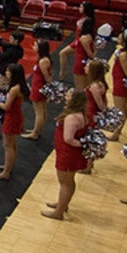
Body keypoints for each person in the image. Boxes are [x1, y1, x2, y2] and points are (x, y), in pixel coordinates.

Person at [43, 89, 89, 221]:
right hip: (70, 153)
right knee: (68, 182)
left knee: (65, 183)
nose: (66, 96)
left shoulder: (71, 117)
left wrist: (83, 144)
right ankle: (63, 204)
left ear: (74, 100)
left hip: (68, 154)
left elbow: (68, 139)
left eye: (68, 95)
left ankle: (59, 212)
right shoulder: (81, 114)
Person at [0, 64, 27, 181]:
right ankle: (8, 166)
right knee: (12, 144)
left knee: (8, 146)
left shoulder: (14, 89)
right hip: (16, 116)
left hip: (11, 117)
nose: (6, 72)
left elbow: (6, 106)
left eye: (8, 71)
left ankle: (6, 172)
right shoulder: (20, 86)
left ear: (13, 74)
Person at [107, 32, 127, 141]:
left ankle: (117, 133)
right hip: (119, 82)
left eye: (120, 37)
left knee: (120, 110)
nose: (118, 37)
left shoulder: (124, 55)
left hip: (121, 84)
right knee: (121, 109)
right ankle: (117, 129)